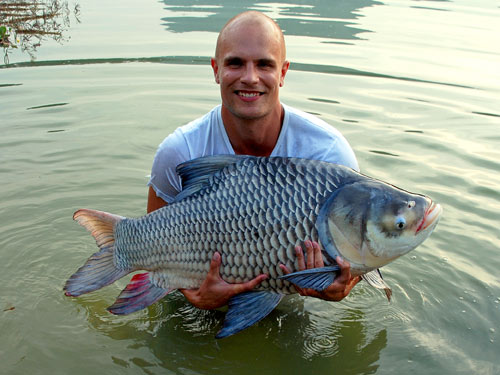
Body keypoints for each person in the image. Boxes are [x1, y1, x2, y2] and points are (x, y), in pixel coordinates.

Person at [147, 11, 361, 310]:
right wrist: (191, 295)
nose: (250, 77)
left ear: (283, 72)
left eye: (264, 64)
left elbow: (360, 253)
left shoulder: (328, 154)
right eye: (235, 63)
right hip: (192, 298)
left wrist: (342, 283)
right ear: (216, 69)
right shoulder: (180, 150)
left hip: (286, 302)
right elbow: (152, 247)